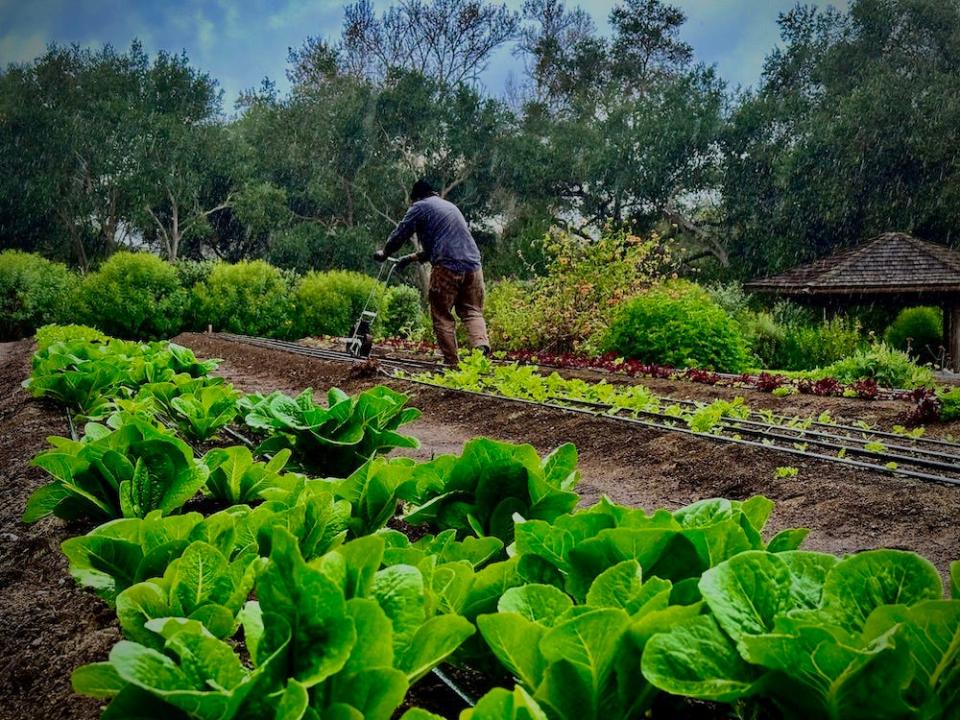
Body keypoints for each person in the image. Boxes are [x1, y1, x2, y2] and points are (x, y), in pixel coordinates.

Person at [374, 179, 490, 366]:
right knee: (472, 311)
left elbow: (400, 234)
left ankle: (452, 363)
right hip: (474, 268)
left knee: (441, 315)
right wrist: (409, 259)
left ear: (416, 197)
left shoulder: (419, 206)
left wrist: (385, 253)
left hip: (447, 268)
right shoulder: (449, 207)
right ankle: (481, 345)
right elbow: (434, 249)